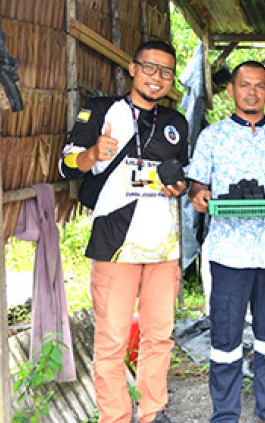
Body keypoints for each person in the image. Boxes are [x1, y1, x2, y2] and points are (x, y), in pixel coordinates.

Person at [58, 40, 188, 423]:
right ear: (133, 69)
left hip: (164, 246)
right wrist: (93, 154)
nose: (157, 78)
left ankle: (153, 412)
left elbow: (180, 180)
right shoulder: (101, 111)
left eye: (166, 72)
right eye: (150, 68)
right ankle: (114, 418)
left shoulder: (174, 123)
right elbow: (67, 166)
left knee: (158, 337)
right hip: (115, 244)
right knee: (112, 342)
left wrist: (177, 187)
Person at [187, 61, 265, 423]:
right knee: (225, 336)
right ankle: (225, 413)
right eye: (245, 85)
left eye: (260, 85)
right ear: (232, 91)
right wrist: (199, 194)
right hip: (228, 252)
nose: (252, 91)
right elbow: (198, 184)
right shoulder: (213, 137)